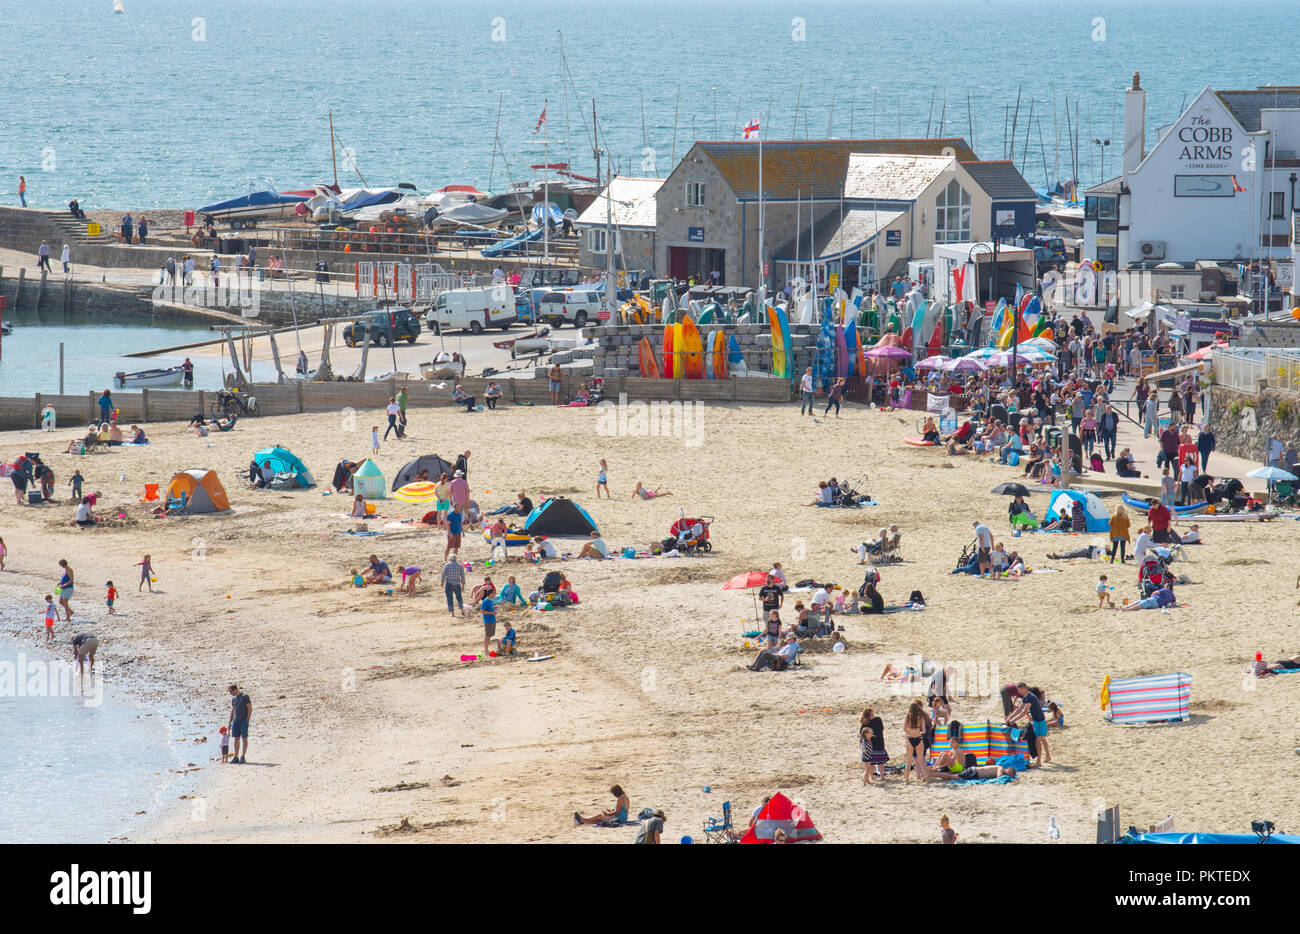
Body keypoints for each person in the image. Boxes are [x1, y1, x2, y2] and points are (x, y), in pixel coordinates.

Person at [1006, 682, 1050, 766]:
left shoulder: (1031, 697)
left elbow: (1024, 712)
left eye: (1019, 691)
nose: (1019, 693)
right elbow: (1019, 709)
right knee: (1042, 738)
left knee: (1038, 740)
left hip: (1039, 721)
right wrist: (1009, 718)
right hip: (1037, 720)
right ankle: (1047, 756)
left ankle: (1038, 761)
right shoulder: (1026, 697)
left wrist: (1013, 720)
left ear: (1023, 689)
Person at [902, 701, 930, 784]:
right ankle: (927, 780)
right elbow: (924, 730)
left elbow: (904, 729)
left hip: (910, 739)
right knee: (921, 761)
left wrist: (910, 730)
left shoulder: (907, 717)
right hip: (918, 739)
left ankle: (906, 781)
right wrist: (919, 732)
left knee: (909, 761)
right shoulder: (921, 717)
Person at [859, 708, 888, 785]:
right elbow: (882, 729)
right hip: (879, 743)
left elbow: (861, 734)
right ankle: (882, 776)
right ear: (871, 713)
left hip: (870, 745)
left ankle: (872, 777)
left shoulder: (864, 723)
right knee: (881, 762)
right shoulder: (878, 720)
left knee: (871, 762)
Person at [227, 684, 252, 764]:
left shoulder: (245, 697)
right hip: (236, 721)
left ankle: (243, 756)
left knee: (244, 738)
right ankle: (236, 756)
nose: (230, 693)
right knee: (236, 739)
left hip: (243, 721)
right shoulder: (234, 699)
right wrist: (230, 722)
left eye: (231, 691)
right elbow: (233, 711)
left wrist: (247, 719)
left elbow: (250, 708)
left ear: (235, 689)